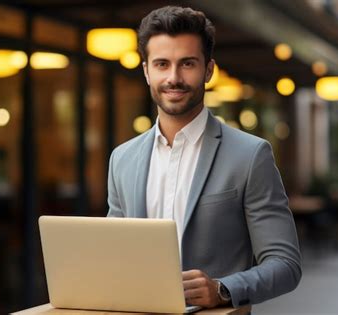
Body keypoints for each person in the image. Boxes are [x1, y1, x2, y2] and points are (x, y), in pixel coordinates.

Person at [107, 5, 301, 309]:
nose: (174, 77)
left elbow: (285, 264)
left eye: (187, 64)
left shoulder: (251, 155)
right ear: (146, 71)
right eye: (161, 64)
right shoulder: (122, 159)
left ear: (208, 70)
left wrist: (223, 289)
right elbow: (114, 254)